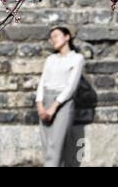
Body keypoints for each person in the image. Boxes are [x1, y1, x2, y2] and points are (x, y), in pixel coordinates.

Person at [36, 26, 85, 167]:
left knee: (55, 145)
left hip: (63, 103)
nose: (53, 40)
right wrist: (39, 104)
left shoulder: (77, 58)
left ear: (67, 37)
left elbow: (71, 87)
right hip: (45, 100)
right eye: (51, 38)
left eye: (56, 35)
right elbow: (42, 82)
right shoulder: (50, 59)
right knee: (47, 146)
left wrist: (54, 106)